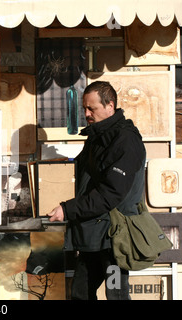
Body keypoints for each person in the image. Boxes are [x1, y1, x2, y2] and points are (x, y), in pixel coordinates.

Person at [47, 81, 146, 300]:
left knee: (116, 294)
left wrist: (68, 209)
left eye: (92, 108)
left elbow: (111, 193)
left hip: (113, 240)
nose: (86, 113)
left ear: (110, 106)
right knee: (80, 293)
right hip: (94, 235)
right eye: (84, 108)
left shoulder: (126, 140)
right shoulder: (97, 137)